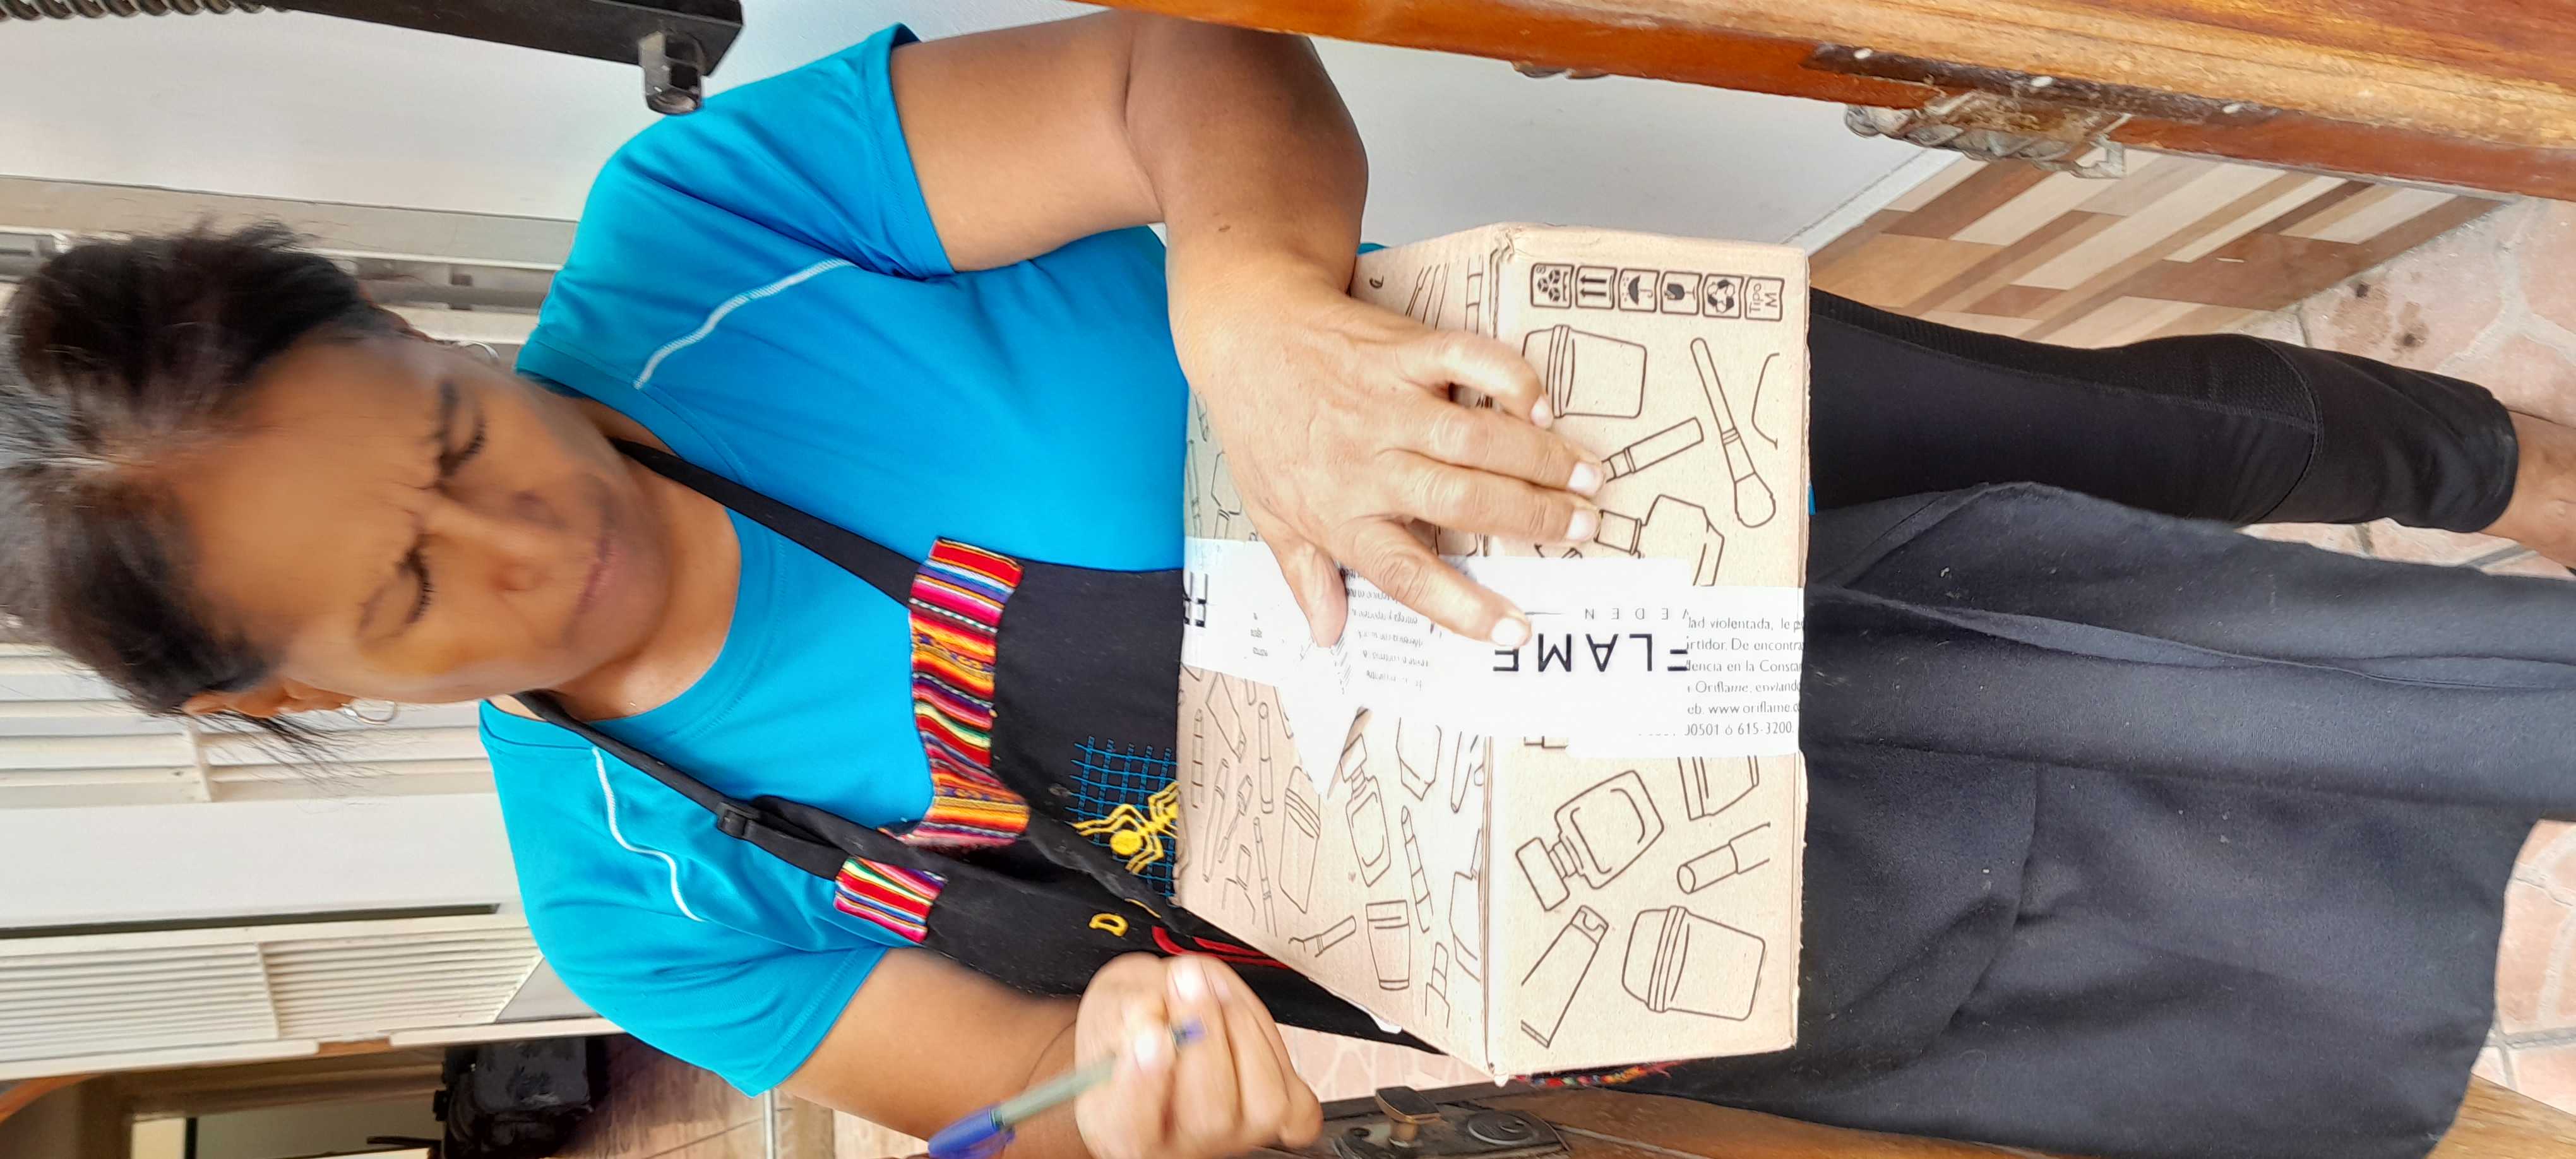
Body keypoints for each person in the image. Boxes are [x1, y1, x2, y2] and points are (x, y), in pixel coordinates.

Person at [5, 13, 2573, 1159]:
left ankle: (2510, 462)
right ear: (288, 699)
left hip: (1668, 492)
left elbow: (1178, 70)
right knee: (2229, 903)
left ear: (417, 333)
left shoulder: (700, 240)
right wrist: (1133, 1098)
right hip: (1641, 883)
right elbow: (998, 1093)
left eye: (455, 432)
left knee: (2181, 454)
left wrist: (1245, 291)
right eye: (413, 592)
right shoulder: (635, 893)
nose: (530, 532)